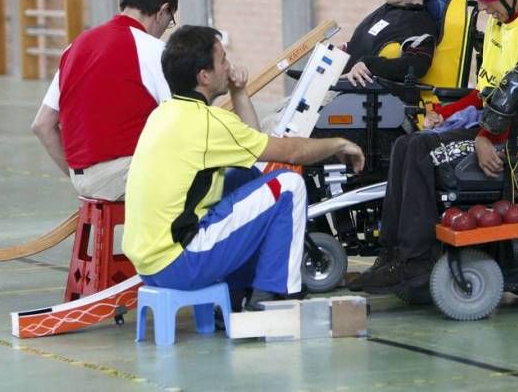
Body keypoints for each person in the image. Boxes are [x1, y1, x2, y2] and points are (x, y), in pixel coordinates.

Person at [349, 0, 518, 294]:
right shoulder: (500, 22)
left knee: (420, 151)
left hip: (512, 136)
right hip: (492, 123)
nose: (481, 9)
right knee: (407, 144)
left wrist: (485, 139)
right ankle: (391, 256)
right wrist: (443, 111)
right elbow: (485, 93)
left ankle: (417, 265)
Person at [122, 25, 365, 309]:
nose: (230, 66)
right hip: (181, 265)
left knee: (246, 176)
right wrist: (339, 144)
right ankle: (275, 296)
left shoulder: (164, 113)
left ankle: (239, 292)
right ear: (204, 76)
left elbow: (254, 146)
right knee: (288, 185)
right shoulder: (208, 123)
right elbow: (292, 152)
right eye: (223, 60)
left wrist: (238, 92)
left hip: (150, 266)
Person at [31, 0, 178, 201]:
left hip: (81, 179)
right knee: (209, 171)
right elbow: (183, 122)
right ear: (163, 11)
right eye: (170, 22)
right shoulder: (153, 50)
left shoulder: (76, 45)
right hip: (126, 175)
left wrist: (81, 177)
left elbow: (42, 124)